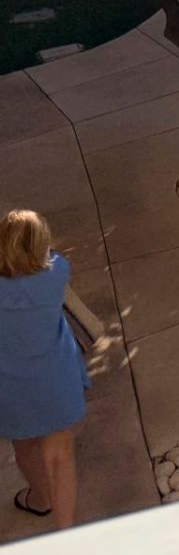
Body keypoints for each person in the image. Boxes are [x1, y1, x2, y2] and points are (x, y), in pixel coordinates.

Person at [0, 209, 87, 528]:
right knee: (61, 458)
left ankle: (40, 498)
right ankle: (68, 534)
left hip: (9, 386)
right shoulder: (58, 270)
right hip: (57, 377)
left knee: (24, 447)